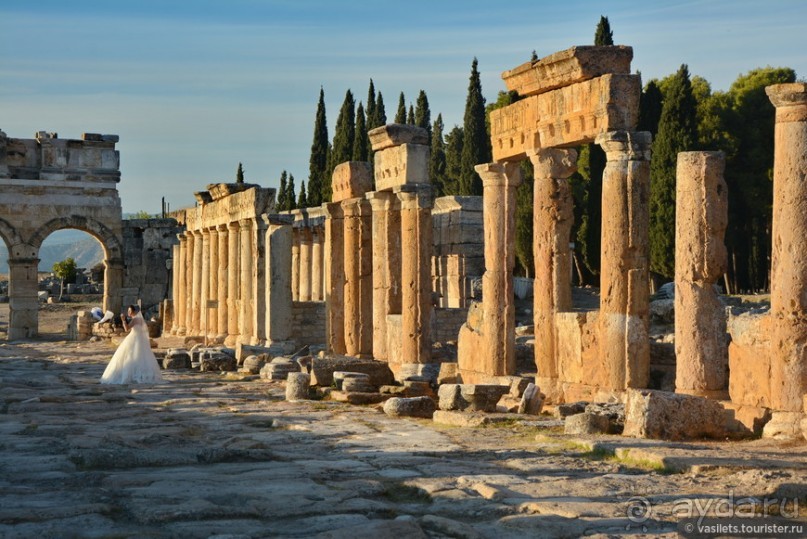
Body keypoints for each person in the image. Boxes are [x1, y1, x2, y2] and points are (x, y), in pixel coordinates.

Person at [100, 305, 164, 384]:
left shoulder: (135, 320)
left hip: (133, 338)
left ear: (134, 312)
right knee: (142, 357)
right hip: (140, 339)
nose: (129, 312)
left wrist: (123, 320)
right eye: (128, 311)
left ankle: (129, 374)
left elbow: (126, 329)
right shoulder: (141, 320)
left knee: (129, 356)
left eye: (130, 311)